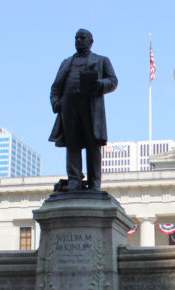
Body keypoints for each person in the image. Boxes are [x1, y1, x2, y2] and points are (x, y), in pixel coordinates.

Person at [49, 29, 117, 192]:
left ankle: (94, 182)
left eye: (82, 38)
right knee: (72, 144)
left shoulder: (101, 60)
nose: (79, 41)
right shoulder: (66, 62)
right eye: (76, 38)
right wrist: (56, 102)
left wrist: (99, 84)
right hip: (69, 106)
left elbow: (113, 81)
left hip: (90, 106)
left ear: (90, 41)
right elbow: (56, 86)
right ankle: (74, 180)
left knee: (92, 144)